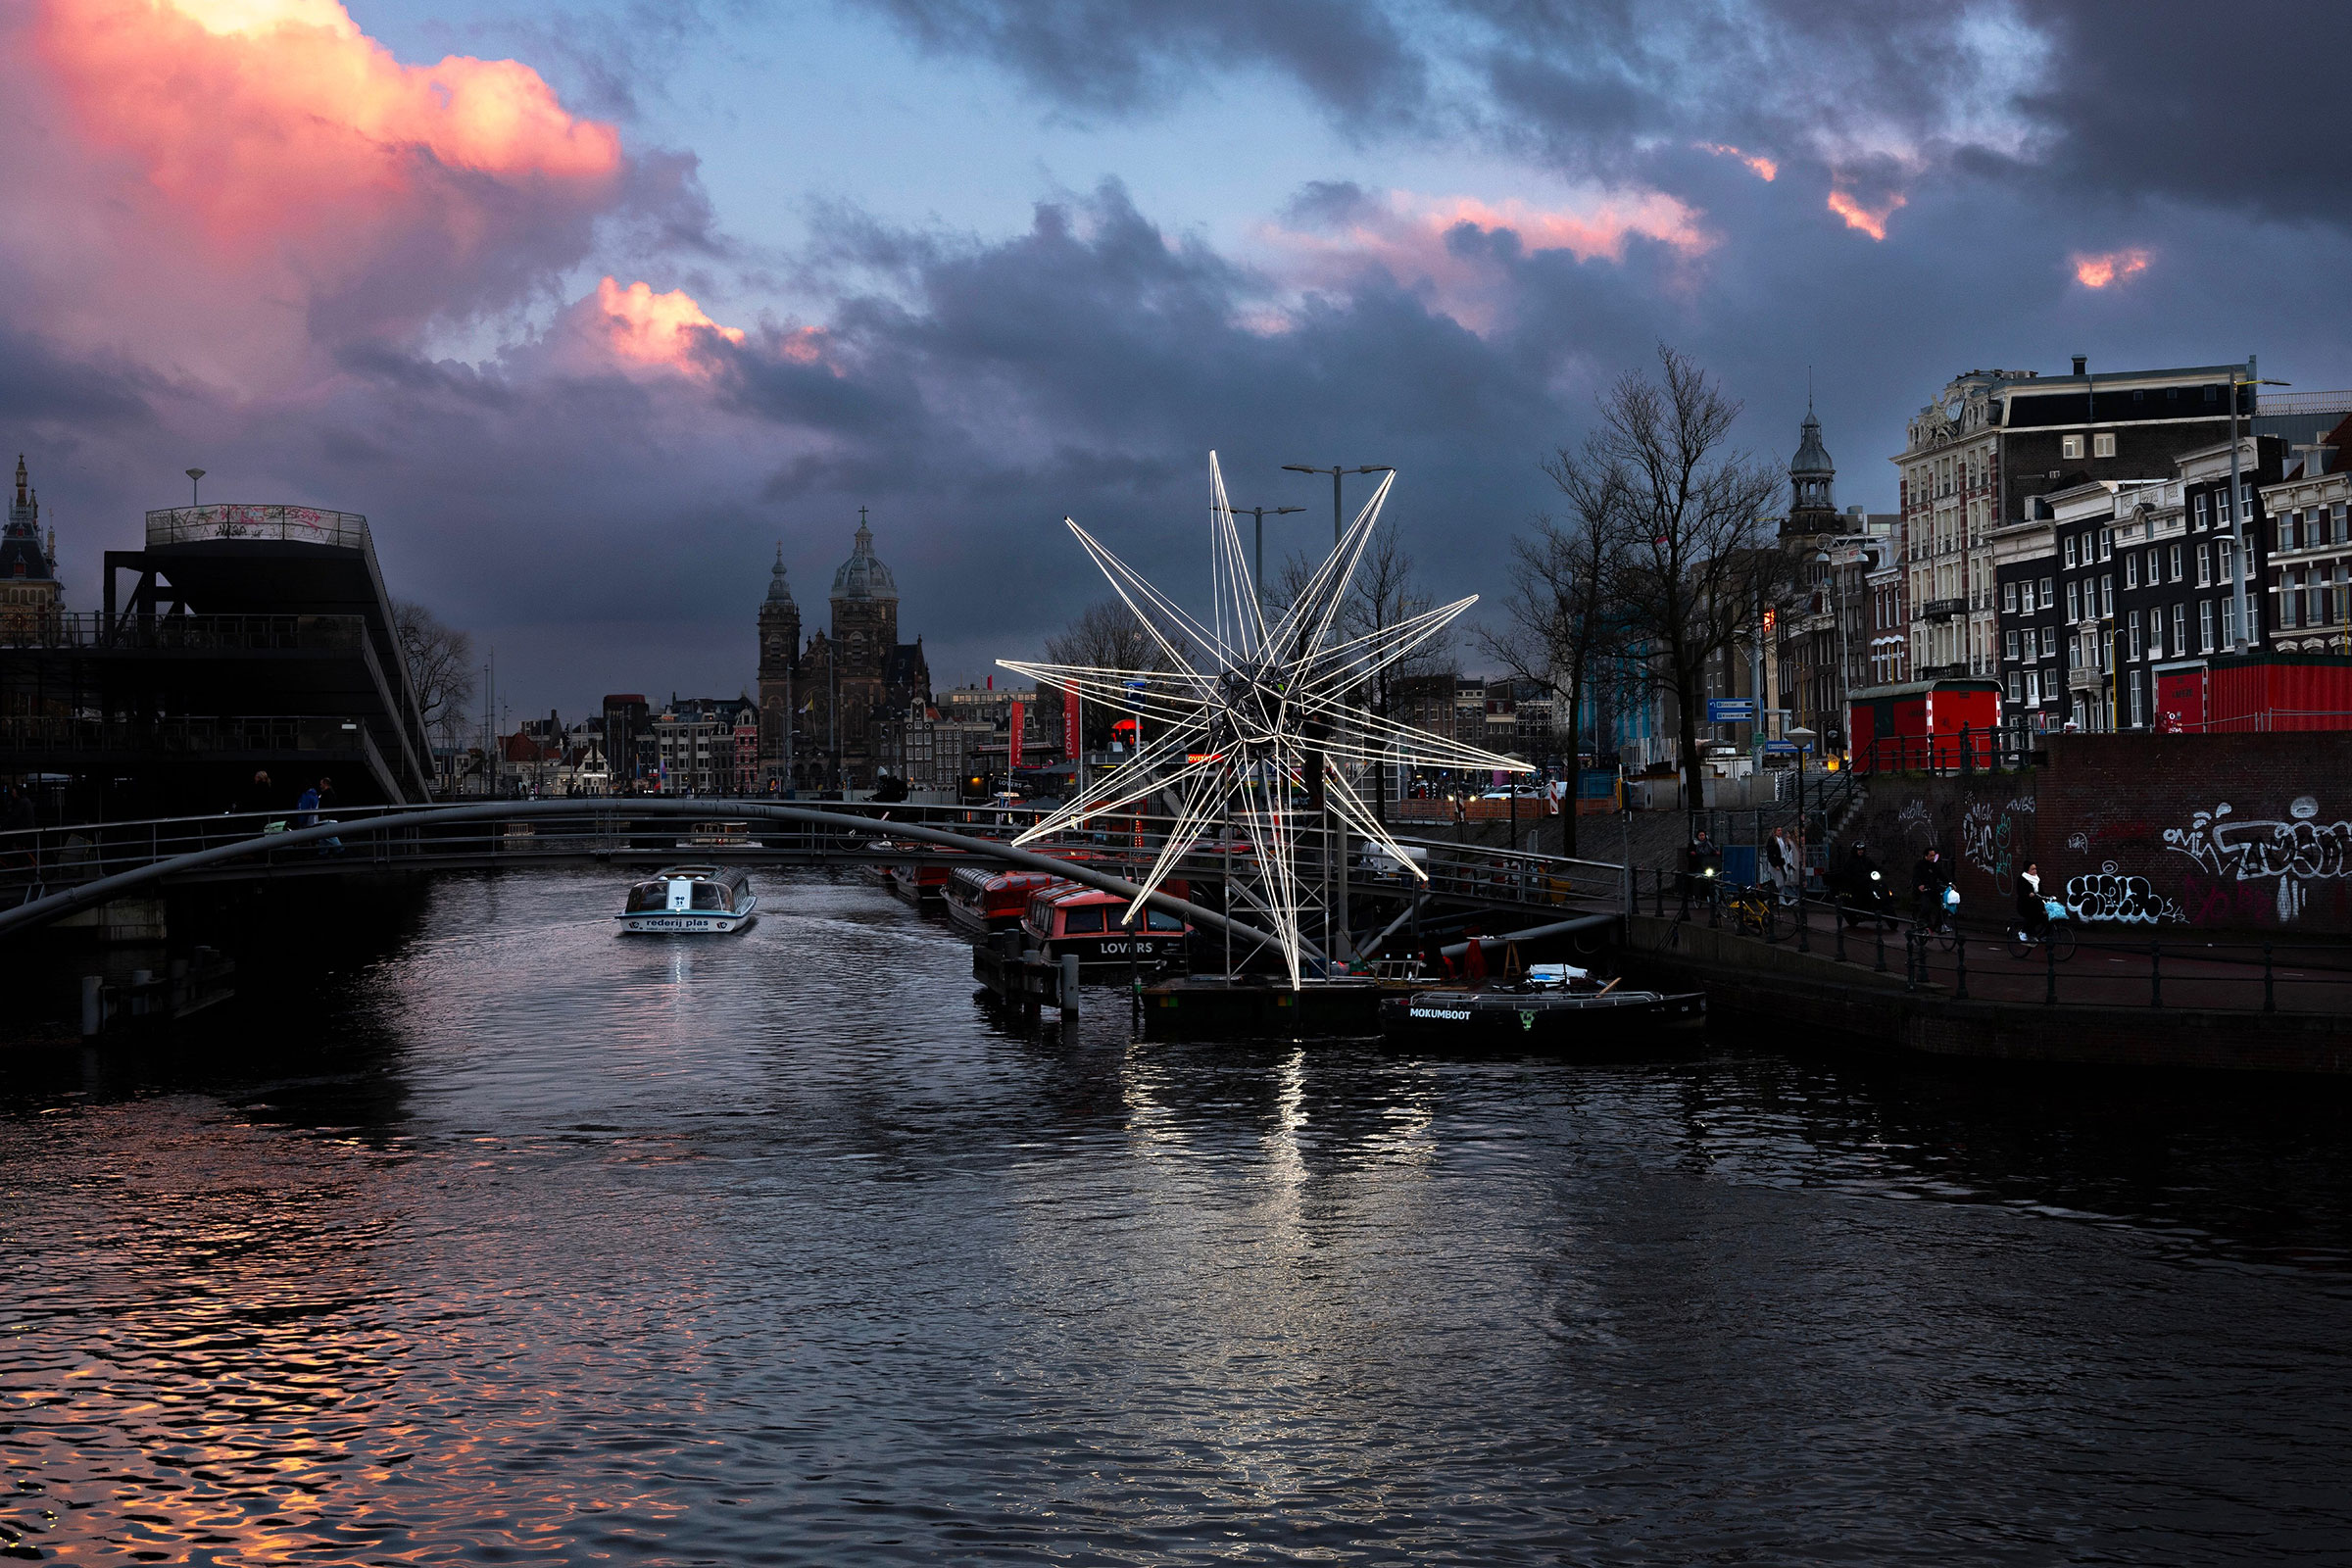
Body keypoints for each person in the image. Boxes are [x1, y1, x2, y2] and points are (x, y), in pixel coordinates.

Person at [1912, 846, 1951, 931]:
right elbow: (1916, 877)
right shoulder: (1919, 865)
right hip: (1923, 892)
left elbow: (1942, 876)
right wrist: (1919, 885)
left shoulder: (1935, 866)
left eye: (1934, 855)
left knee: (1943, 906)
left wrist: (1949, 883)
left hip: (1933, 891)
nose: (1933, 858)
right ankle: (1920, 921)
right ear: (1926, 856)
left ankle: (1939, 925)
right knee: (1926, 906)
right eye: (1931, 856)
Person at [2015, 860, 2049, 940]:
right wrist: (2028, 894)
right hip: (2024, 905)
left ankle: (2041, 935)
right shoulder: (2022, 879)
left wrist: (2049, 896)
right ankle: (2023, 932)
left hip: (2035, 904)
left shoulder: (2037, 879)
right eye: (2032, 869)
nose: (2035, 871)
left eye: (2035, 869)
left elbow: (2041, 892)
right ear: (2027, 870)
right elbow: (2020, 891)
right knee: (2032, 916)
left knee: (2044, 917)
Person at [1767, 827, 1795, 906]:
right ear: (1775, 831)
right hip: (1776, 864)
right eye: (1778, 830)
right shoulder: (1772, 840)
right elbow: (1770, 853)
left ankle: (1780, 900)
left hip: (1781, 863)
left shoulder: (1781, 840)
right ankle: (1773, 898)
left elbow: (1784, 852)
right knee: (1780, 883)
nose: (1780, 832)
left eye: (1781, 830)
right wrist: (1774, 864)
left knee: (1782, 882)